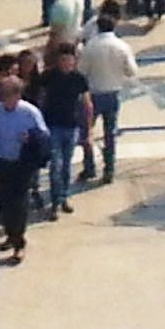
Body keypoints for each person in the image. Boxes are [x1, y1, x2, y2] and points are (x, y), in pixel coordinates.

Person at [0, 75, 49, 261]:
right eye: (2, 94)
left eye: (8, 94)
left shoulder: (29, 112)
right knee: (4, 203)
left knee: (19, 204)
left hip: (21, 164)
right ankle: (10, 234)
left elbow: (44, 136)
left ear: (18, 95)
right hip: (1, 162)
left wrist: (30, 138)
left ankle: (19, 243)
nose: (4, 98)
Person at [79, 13, 138, 185]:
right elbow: (132, 71)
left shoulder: (91, 46)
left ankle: (89, 167)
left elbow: (82, 71)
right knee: (110, 133)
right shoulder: (122, 46)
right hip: (113, 93)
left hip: (93, 93)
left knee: (87, 131)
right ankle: (109, 169)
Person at [37, 44, 94, 216]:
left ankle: (64, 197)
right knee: (55, 165)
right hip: (53, 126)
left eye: (69, 59)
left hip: (72, 126)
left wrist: (89, 130)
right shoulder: (48, 77)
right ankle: (55, 202)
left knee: (67, 165)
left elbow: (87, 104)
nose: (66, 63)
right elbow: (41, 99)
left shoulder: (79, 79)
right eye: (63, 59)